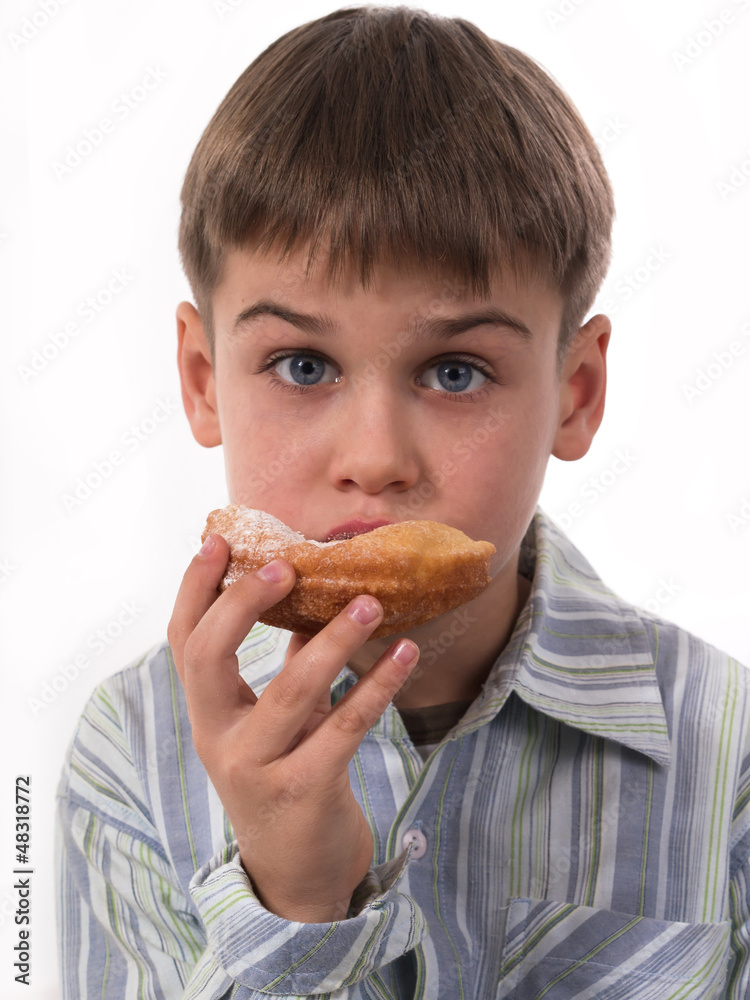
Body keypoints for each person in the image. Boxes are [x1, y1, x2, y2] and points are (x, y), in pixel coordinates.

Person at [55, 5, 750, 997]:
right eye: (302, 364)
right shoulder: (130, 753)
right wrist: (293, 907)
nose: (375, 459)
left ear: (577, 393)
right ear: (204, 380)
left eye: (457, 372)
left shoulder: (725, 748)